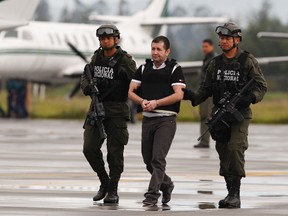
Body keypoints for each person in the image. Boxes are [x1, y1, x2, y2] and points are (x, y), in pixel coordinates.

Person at [183, 22, 267, 208]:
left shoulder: (247, 60)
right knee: (223, 152)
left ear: (237, 40)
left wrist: (250, 98)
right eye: (222, 38)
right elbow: (205, 90)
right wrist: (190, 95)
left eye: (228, 38)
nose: (224, 41)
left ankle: (236, 194)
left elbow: (261, 86)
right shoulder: (215, 63)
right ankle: (230, 192)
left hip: (240, 114)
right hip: (220, 115)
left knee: (235, 148)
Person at [81, 24, 136, 204]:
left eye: (108, 38)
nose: (105, 41)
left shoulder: (125, 61)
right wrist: (87, 87)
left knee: (115, 152)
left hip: (116, 111)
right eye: (102, 38)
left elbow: (136, 83)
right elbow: (86, 76)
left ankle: (113, 189)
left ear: (116, 39)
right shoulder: (96, 58)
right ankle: (104, 181)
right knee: (89, 148)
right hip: (96, 110)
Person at [128, 36, 186, 205]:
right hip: (147, 120)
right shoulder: (144, 68)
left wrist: (157, 103)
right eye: (153, 49)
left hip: (166, 121)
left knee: (157, 160)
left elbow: (178, 94)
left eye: (159, 49)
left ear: (167, 52)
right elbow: (131, 91)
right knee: (148, 162)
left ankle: (152, 195)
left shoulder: (175, 69)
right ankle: (166, 184)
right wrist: (141, 102)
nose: (155, 52)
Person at [194, 39, 217, 148]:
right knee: (204, 115)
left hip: (209, 93)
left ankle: (205, 141)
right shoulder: (207, 59)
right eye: (203, 46)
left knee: (206, 116)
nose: (204, 49)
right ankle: (204, 140)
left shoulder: (213, 59)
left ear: (212, 46)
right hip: (204, 91)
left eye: (206, 46)